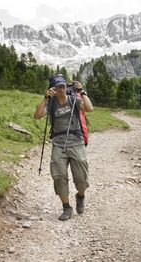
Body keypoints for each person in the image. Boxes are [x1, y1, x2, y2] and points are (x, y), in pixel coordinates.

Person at [34, 74, 94, 221]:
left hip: (76, 143)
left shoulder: (74, 100)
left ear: (65, 87)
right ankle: (66, 207)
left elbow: (89, 108)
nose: (61, 89)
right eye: (57, 87)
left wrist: (83, 91)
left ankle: (80, 196)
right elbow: (37, 116)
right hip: (59, 145)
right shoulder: (51, 103)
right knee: (59, 176)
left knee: (81, 177)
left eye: (62, 86)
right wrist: (45, 98)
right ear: (52, 89)